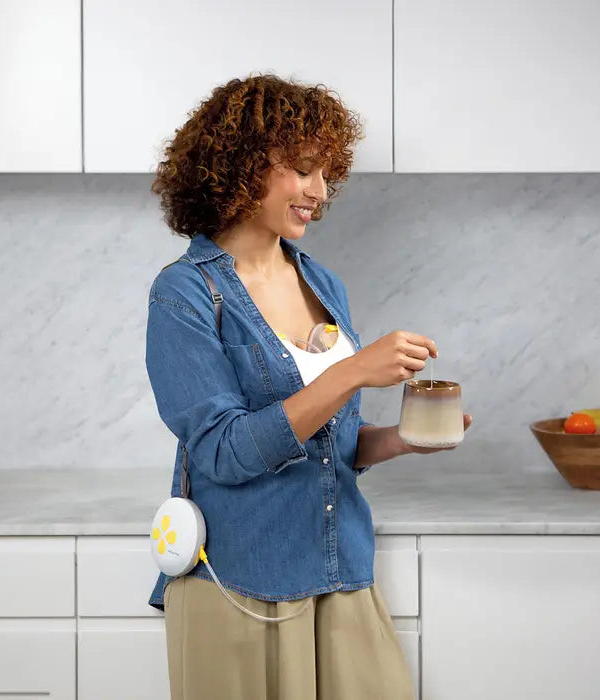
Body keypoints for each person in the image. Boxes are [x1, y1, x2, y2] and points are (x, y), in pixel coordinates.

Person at [145, 73, 472, 700]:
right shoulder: (184, 293)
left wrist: (401, 440)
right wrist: (354, 370)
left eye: (326, 174)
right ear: (241, 167)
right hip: (241, 582)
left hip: (339, 569)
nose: (320, 193)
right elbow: (223, 451)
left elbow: (330, 442)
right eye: (302, 170)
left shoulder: (322, 282)